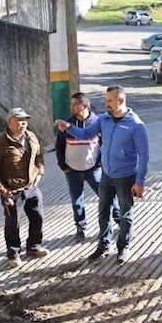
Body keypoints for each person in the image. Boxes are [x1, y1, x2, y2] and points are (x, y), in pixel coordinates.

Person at [55, 85, 149, 265]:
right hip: (106, 175)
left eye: (109, 101)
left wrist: (140, 182)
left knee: (125, 213)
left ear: (121, 100)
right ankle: (104, 245)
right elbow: (84, 134)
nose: (106, 104)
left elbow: (144, 154)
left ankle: (123, 247)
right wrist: (68, 127)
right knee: (103, 212)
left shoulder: (136, 125)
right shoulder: (104, 119)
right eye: (106, 100)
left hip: (125, 176)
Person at [0, 107, 48, 268]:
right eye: (19, 120)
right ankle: (13, 254)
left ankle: (34, 247)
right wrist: (4, 192)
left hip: (32, 188)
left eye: (25, 120)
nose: (23, 123)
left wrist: (39, 172)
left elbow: (39, 155)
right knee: (13, 223)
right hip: (12, 192)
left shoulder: (31, 136)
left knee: (38, 217)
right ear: (10, 122)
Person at [55, 92, 120, 240]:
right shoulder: (66, 125)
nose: (71, 107)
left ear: (84, 106)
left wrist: (99, 164)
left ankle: (120, 221)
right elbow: (59, 147)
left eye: (74, 104)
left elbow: (105, 145)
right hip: (72, 170)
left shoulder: (97, 123)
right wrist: (63, 166)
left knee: (107, 196)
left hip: (93, 170)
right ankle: (80, 227)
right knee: (77, 200)